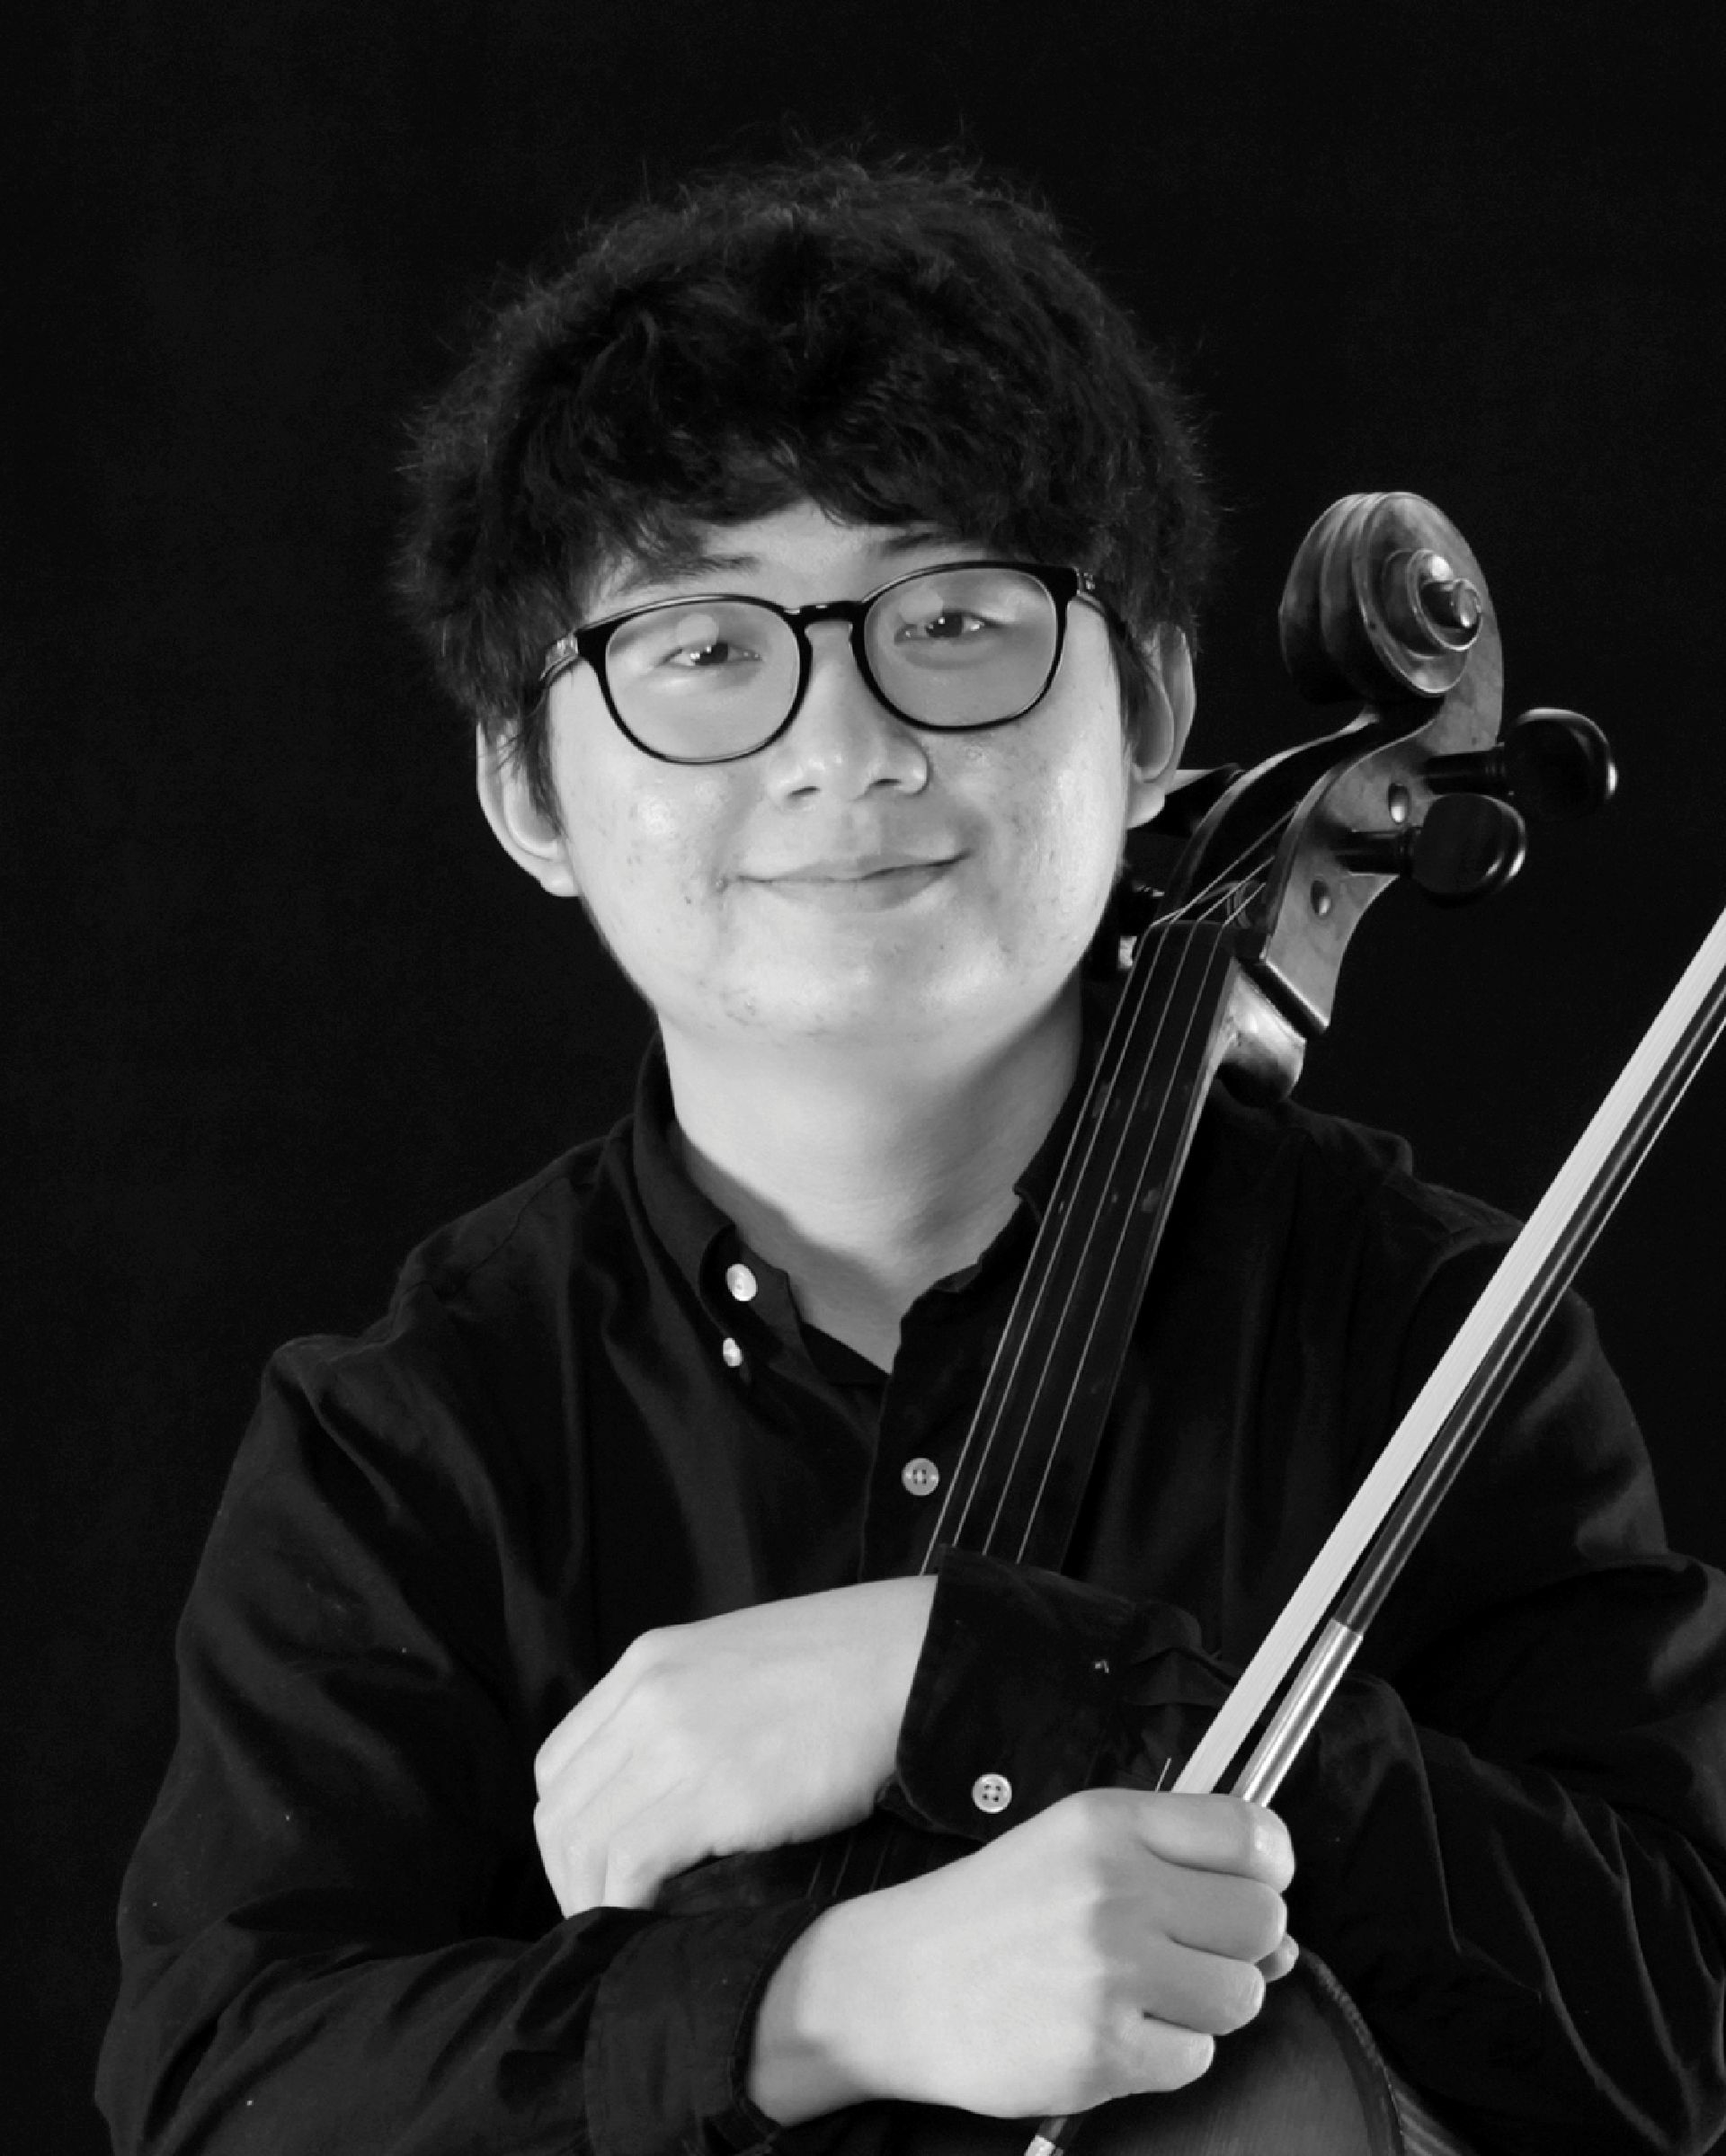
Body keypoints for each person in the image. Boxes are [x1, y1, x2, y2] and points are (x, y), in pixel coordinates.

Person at [98, 151, 1726, 2156]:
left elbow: (1681, 2032)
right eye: (706, 648)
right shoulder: (413, 1439)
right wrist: (813, 2004)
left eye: (952, 618)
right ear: (529, 787)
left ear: (1146, 709)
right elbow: (224, 2087)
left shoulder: (1431, 1334)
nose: (845, 747)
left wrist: (1015, 1682)